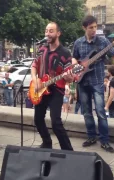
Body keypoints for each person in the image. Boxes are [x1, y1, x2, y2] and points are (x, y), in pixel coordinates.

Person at [72, 15, 114, 152]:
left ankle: (104, 140)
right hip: (82, 81)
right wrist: (75, 65)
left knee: (101, 112)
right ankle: (91, 137)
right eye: (91, 28)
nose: (94, 30)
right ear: (84, 28)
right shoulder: (78, 42)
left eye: (96, 27)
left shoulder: (103, 42)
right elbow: (74, 57)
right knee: (87, 112)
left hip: (97, 81)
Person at [31, 22, 74, 151]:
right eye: (46, 31)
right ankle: (46, 142)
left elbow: (70, 77)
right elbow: (34, 65)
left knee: (56, 122)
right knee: (38, 119)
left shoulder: (65, 52)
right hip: (41, 89)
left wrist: (69, 76)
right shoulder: (42, 49)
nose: (47, 34)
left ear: (58, 33)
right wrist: (35, 80)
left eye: (51, 31)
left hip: (56, 89)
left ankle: (67, 150)